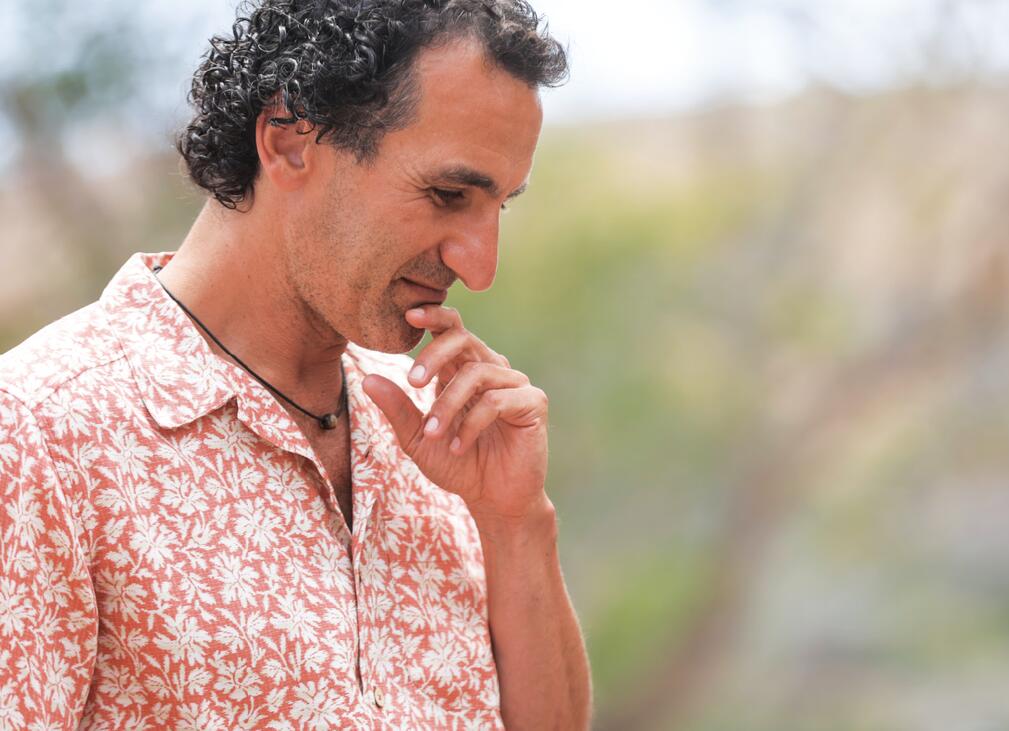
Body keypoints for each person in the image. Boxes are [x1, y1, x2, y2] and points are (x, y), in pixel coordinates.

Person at [0, 0, 591, 728]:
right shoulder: (38, 435)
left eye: (499, 206)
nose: (481, 265)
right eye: (447, 194)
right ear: (288, 142)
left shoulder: (444, 426)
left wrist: (518, 523)